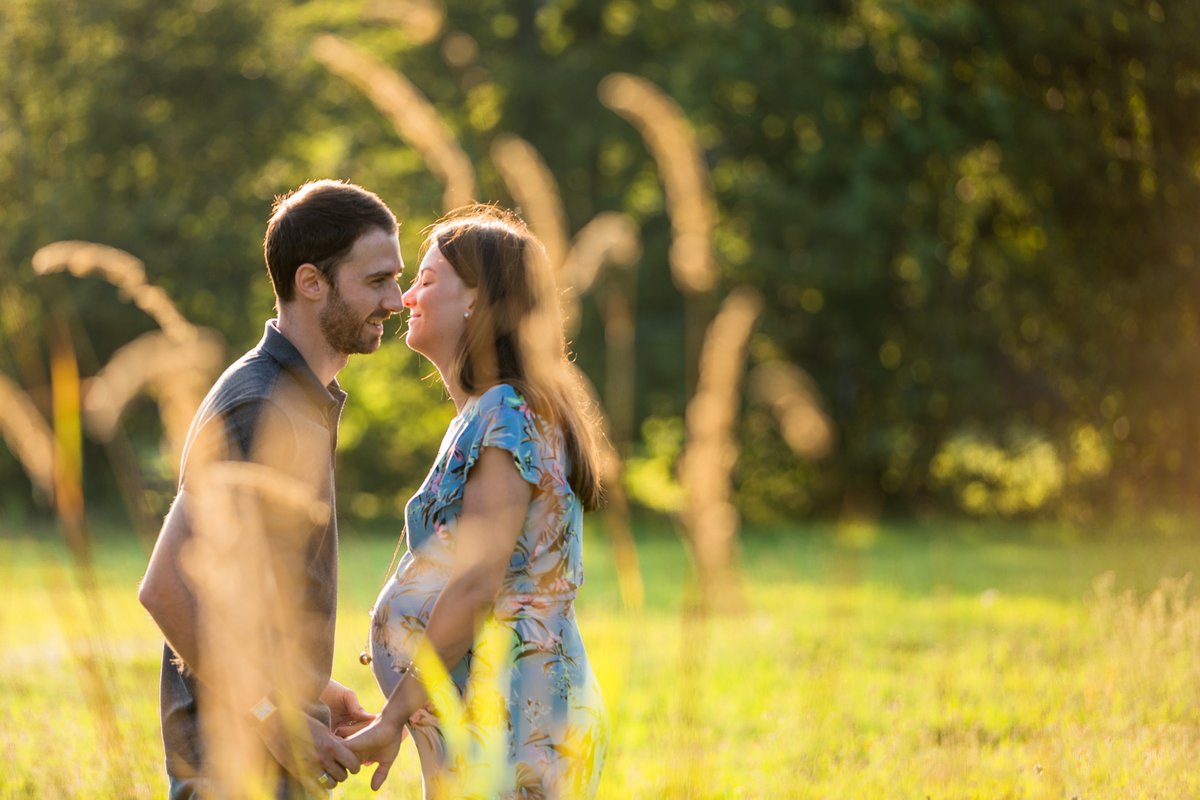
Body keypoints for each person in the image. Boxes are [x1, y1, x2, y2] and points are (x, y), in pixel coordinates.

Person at [138, 179, 405, 798]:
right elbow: (167, 588)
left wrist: (310, 688)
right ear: (311, 282)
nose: (395, 300)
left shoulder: (300, 400)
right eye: (376, 281)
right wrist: (273, 717)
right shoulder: (261, 404)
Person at [346, 205, 609, 798]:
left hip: (518, 725)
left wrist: (393, 718)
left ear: (476, 299)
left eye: (426, 279)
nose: (406, 297)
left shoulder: (505, 412)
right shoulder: (490, 413)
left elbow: (475, 583)